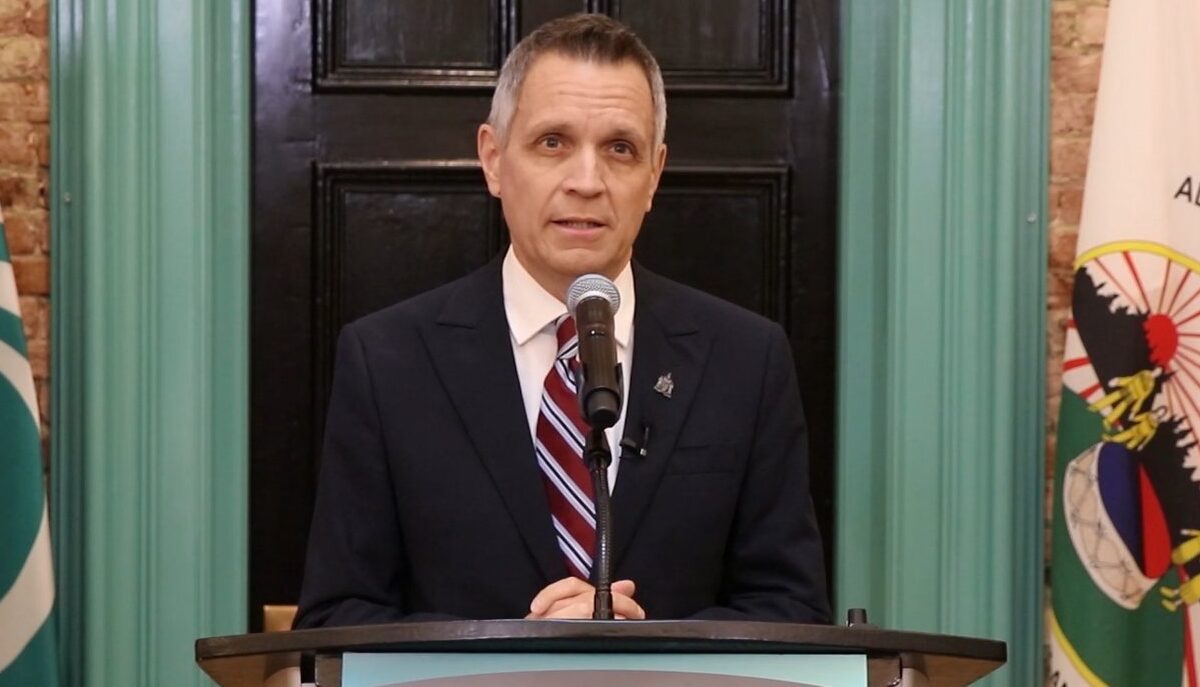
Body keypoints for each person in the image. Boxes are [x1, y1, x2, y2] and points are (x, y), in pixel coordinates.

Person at [293, 13, 830, 627]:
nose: (586, 181)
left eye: (619, 149)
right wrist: (509, 652)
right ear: (493, 160)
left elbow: (790, 611)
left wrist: (648, 648)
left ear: (654, 175)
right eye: (553, 143)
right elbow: (337, 618)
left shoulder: (746, 359)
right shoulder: (387, 360)